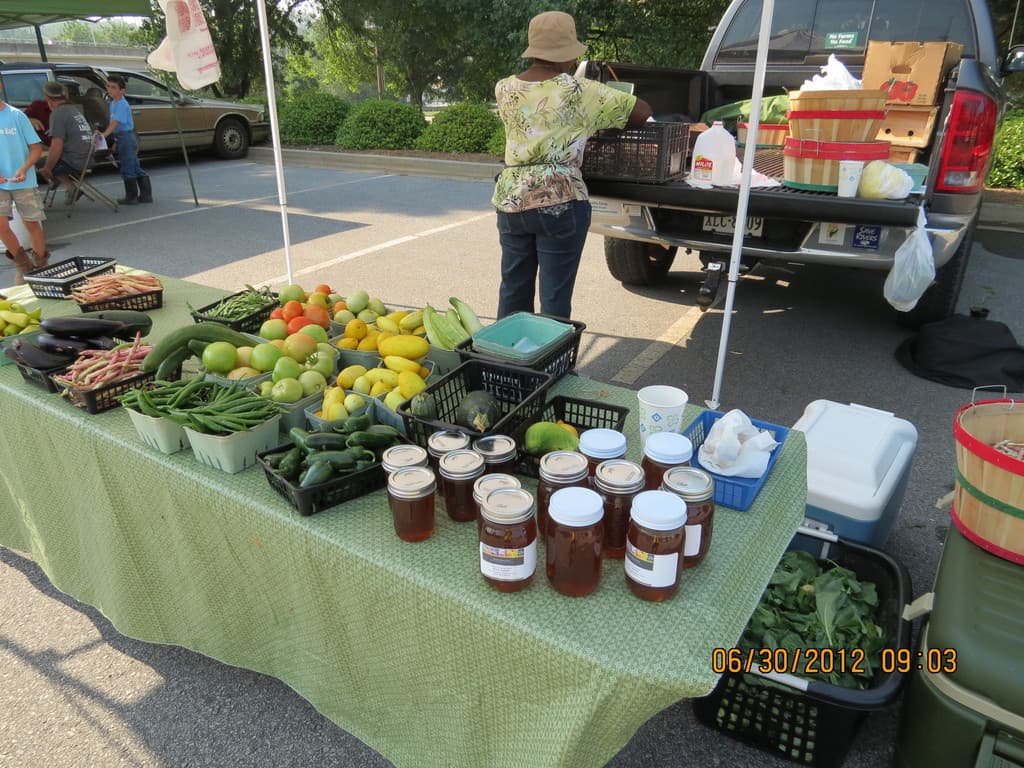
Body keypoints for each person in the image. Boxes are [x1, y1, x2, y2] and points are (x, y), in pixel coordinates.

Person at [492, 10, 652, 320]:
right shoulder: (579, 90)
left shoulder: (504, 88)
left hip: (510, 199)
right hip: (559, 198)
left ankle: (508, 363)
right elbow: (642, 111)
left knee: (513, 289)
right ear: (566, 53)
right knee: (554, 297)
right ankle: (551, 367)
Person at [0, 85, 49, 284]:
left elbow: (36, 148)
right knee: (1, 226)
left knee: (31, 223)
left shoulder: (16, 115)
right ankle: (23, 266)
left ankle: (41, 267)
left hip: (23, 180)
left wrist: (24, 168)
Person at [38, 81, 94, 204]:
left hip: (74, 161)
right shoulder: (73, 109)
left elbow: (57, 145)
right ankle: (64, 184)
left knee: (36, 162)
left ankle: (66, 186)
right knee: (48, 158)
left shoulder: (58, 113)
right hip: (86, 158)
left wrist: (48, 167)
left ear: (48, 98)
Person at [99, 74, 152, 205]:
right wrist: (116, 142)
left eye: (113, 87)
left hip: (127, 137)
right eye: (108, 86)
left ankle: (131, 196)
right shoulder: (113, 103)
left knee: (128, 167)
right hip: (122, 137)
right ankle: (146, 195)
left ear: (122, 91)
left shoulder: (122, 104)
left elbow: (115, 123)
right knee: (134, 166)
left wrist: (104, 135)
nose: (109, 89)